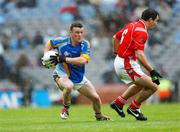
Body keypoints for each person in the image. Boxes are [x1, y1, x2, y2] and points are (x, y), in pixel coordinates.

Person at [42, 22, 110, 121]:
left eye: (81, 32)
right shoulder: (61, 41)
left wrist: (64, 59)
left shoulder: (85, 44)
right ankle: (65, 108)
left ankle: (99, 116)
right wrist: (45, 56)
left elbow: (83, 60)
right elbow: (49, 43)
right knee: (68, 86)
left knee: (96, 98)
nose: (79, 35)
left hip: (78, 77)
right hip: (62, 74)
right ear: (70, 33)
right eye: (77, 32)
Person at [110, 8, 162, 121]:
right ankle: (134, 108)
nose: (157, 23)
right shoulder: (142, 32)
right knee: (153, 86)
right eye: (156, 20)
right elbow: (139, 54)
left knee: (140, 84)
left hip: (122, 61)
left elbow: (115, 37)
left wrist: (116, 52)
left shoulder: (131, 25)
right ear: (150, 19)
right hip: (126, 63)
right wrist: (152, 71)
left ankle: (119, 103)